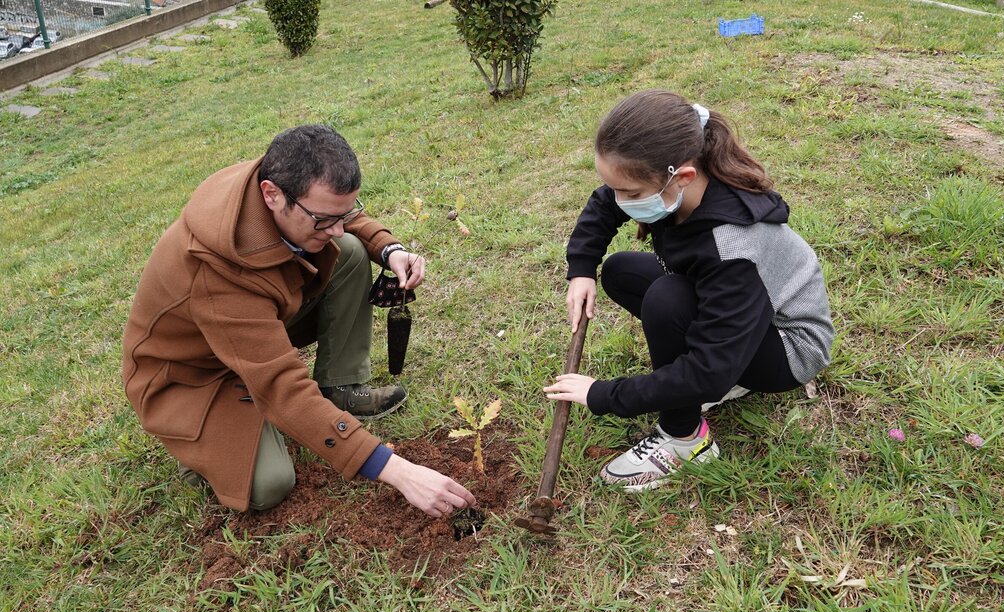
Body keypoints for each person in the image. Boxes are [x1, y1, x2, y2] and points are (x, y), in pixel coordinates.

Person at [122, 124, 475, 517]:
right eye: (323, 220)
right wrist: (398, 471)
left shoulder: (283, 180)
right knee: (270, 484)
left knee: (349, 250)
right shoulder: (218, 269)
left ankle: (339, 387)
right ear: (272, 195)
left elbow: (337, 216)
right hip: (191, 376)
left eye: (343, 214)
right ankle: (200, 450)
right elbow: (281, 385)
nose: (336, 228)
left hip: (248, 331)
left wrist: (388, 248)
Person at [544, 90, 834, 492]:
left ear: (682, 177)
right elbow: (605, 203)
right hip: (744, 319)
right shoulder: (678, 183)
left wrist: (603, 394)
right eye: (616, 188)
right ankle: (721, 379)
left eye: (631, 194)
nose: (620, 202)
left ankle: (684, 439)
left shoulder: (733, 247)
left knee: (667, 300)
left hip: (788, 348)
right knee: (620, 272)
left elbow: (707, 371)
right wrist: (581, 269)